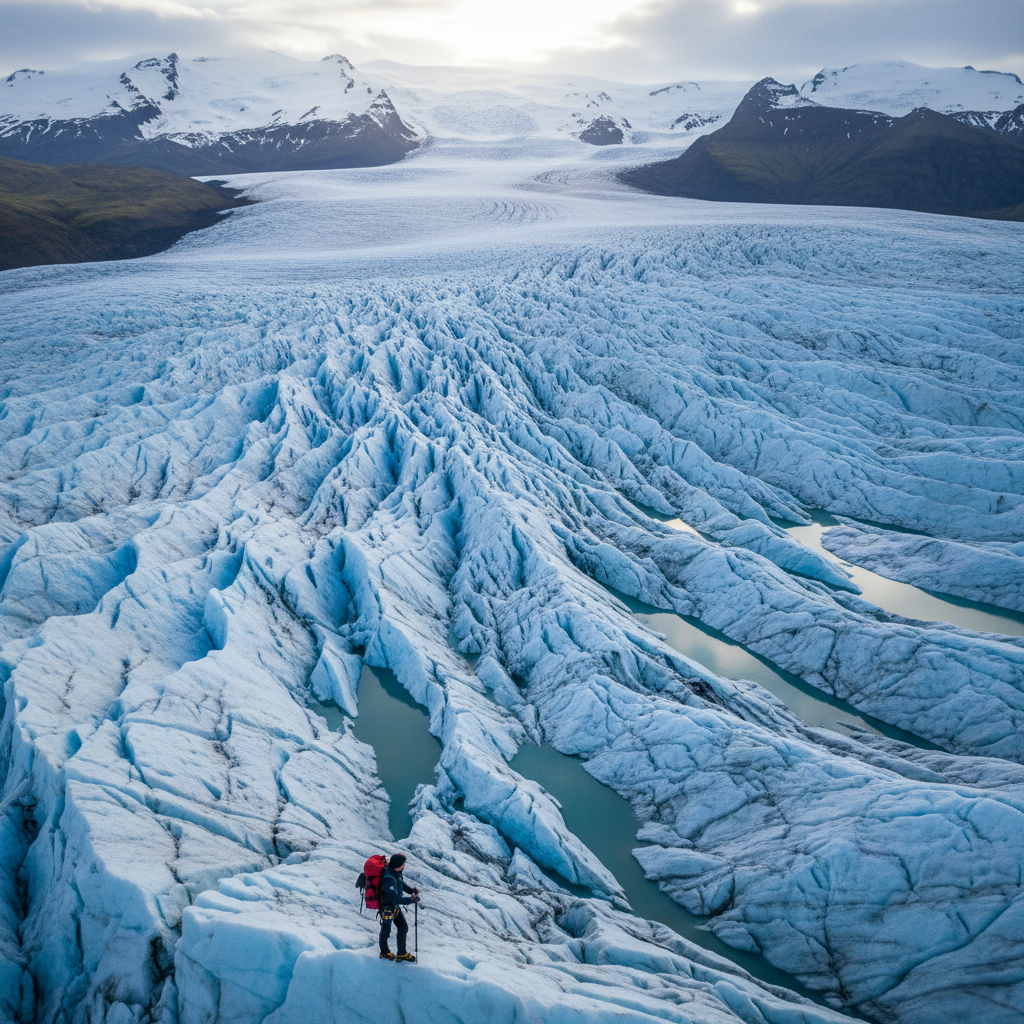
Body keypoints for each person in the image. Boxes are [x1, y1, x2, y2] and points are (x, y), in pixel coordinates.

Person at [378, 853, 419, 962]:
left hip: (394, 907)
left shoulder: (396, 872)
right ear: (399, 866)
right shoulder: (388, 879)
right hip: (388, 907)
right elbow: (394, 898)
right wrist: (410, 900)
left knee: (403, 927)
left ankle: (401, 953)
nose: (404, 865)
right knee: (386, 931)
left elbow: (401, 883)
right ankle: (384, 952)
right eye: (403, 864)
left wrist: (411, 891)